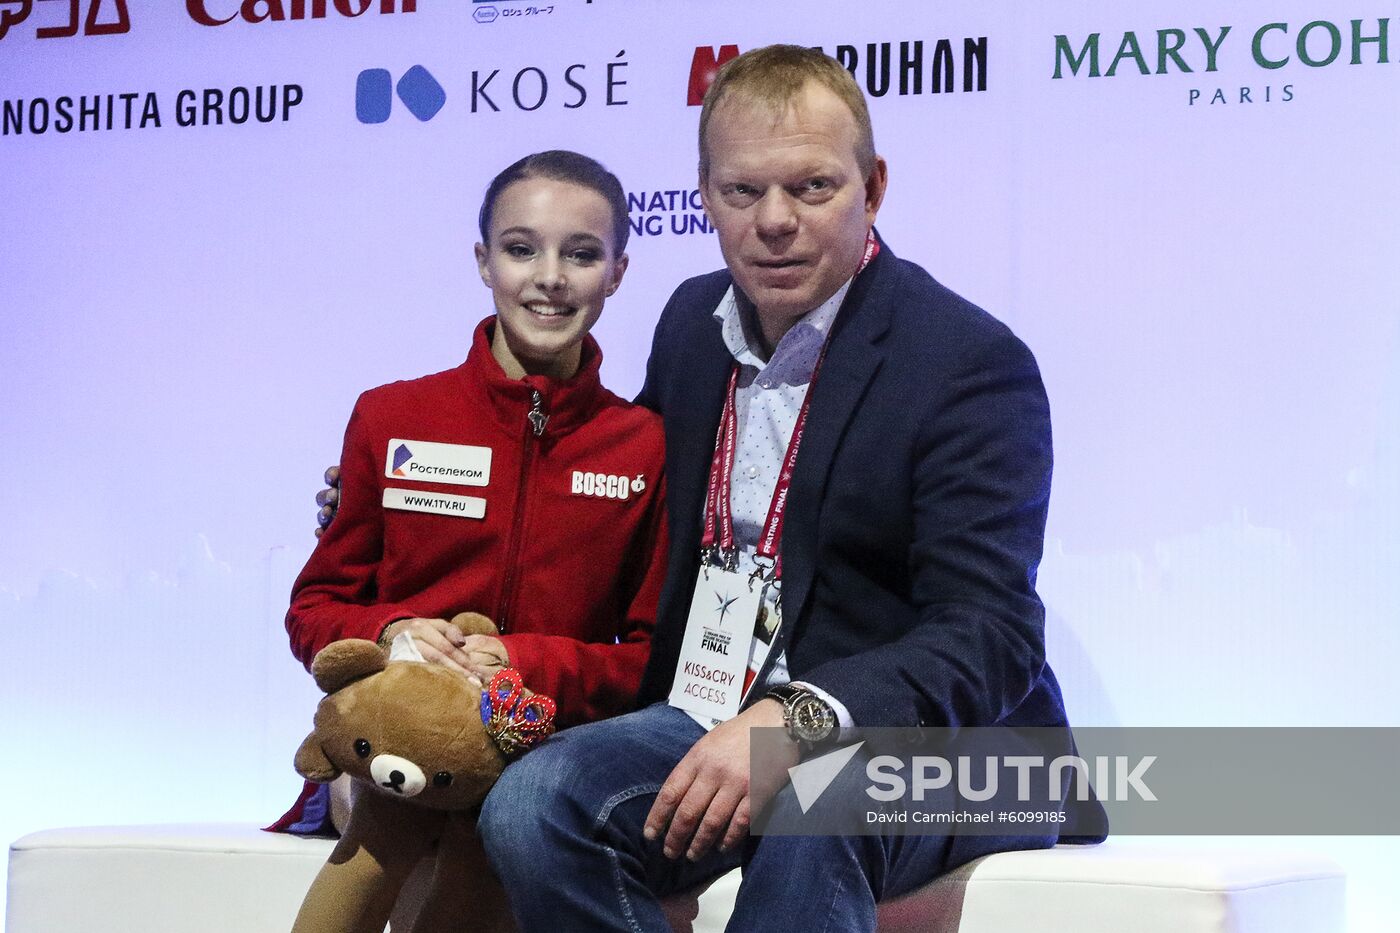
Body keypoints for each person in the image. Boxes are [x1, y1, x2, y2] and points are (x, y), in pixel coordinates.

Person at [462, 45, 1105, 931]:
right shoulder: (692, 322)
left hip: (948, 744)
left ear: (872, 187)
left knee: (812, 805)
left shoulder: (967, 362)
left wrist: (795, 718)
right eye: (741, 192)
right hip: (710, 707)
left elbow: (990, 634)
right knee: (536, 804)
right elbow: (611, 492)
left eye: (811, 188)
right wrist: (398, 501)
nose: (774, 221)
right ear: (703, 196)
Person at [281, 150, 669, 933]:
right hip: (396, 743)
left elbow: (650, 660)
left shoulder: (644, 445)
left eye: (582, 253)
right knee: (391, 813)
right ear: (483, 260)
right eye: (522, 248)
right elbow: (315, 608)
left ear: (619, 271)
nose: (550, 276)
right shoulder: (393, 416)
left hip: (537, 756)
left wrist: (526, 660)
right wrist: (390, 635)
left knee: (498, 838)